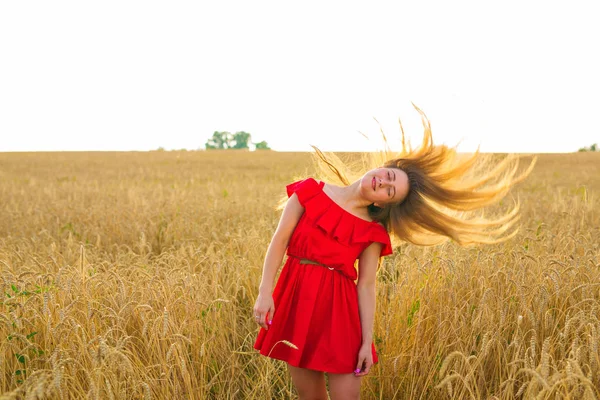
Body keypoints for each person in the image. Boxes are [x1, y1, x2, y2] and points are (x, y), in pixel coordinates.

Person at [252, 105, 536, 400]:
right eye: (388, 176)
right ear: (382, 166)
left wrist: (366, 342)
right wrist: (265, 292)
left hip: (340, 312)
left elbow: (366, 285)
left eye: (389, 191)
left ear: (386, 204)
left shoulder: (372, 232)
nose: (383, 183)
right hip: (296, 299)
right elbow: (278, 242)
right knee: (309, 396)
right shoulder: (308, 191)